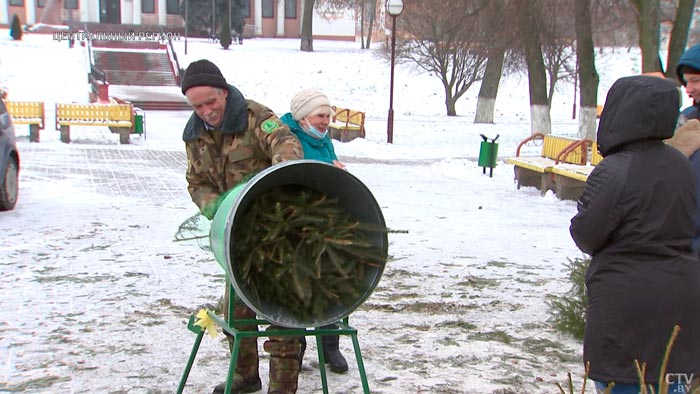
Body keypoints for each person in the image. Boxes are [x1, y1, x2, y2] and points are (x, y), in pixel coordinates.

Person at [569, 75, 700, 394]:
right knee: (672, 382)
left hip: (626, 309)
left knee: (624, 385)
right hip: (682, 302)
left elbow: (587, 234)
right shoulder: (681, 164)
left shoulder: (615, 170)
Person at [181, 59, 305, 394]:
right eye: (197, 106)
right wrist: (215, 206)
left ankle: (282, 388)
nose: (206, 111)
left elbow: (287, 146)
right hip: (237, 237)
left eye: (211, 102)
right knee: (236, 315)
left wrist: (273, 184)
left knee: (283, 317)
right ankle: (245, 376)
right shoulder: (194, 136)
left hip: (277, 231)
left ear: (223, 92)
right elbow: (196, 181)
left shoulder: (255, 118)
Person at [279, 88, 349, 374]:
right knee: (297, 284)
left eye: (327, 115)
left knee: (331, 282)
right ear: (302, 116)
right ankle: (296, 348)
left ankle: (329, 345)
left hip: (325, 221)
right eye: (320, 115)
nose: (325, 121)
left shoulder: (323, 141)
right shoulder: (287, 138)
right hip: (294, 223)